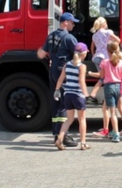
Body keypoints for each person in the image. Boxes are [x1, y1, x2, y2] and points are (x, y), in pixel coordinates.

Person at [37, 12, 79, 147]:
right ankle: (63, 136)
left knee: (55, 102)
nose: (74, 24)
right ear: (65, 22)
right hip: (64, 72)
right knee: (64, 104)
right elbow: (78, 55)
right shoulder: (69, 38)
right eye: (72, 22)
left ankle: (56, 134)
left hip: (53, 71)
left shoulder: (51, 36)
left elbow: (42, 54)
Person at [54, 43, 91, 151]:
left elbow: (60, 79)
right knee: (82, 119)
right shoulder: (82, 66)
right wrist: (86, 95)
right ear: (83, 54)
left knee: (69, 119)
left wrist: (57, 90)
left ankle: (59, 140)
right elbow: (81, 81)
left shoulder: (67, 64)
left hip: (67, 94)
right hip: (78, 95)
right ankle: (83, 143)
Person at [90, 41, 122, 143]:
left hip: (108, 86)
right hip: (118, 86)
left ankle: (116, 134)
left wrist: (91, 73)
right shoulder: (121, 62)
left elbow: (101, 76)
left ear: (107, 51)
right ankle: (114, 131)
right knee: (116, 110)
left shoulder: (104, 62)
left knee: (112, 112)